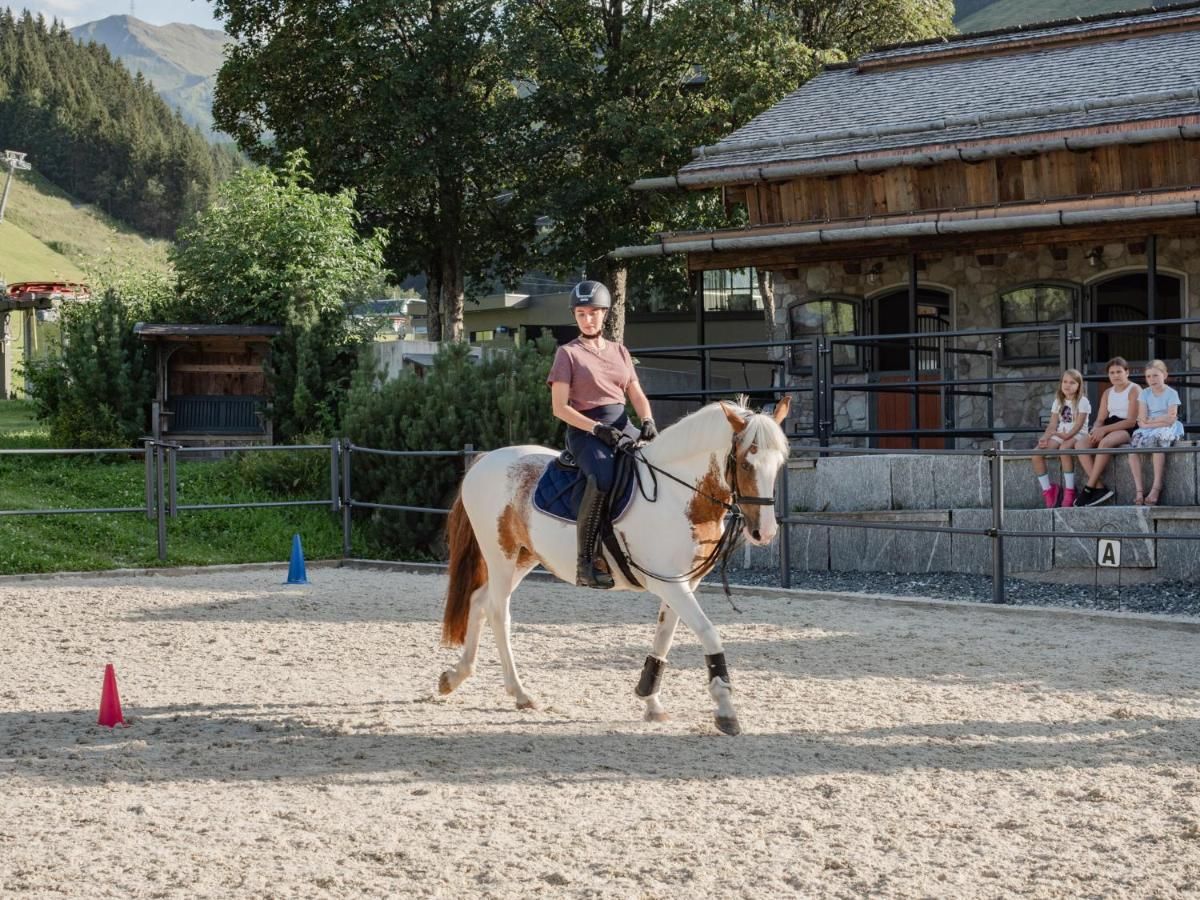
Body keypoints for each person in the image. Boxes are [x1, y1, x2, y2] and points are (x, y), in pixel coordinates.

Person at [547, 281, 656, 588]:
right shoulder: (567, 354)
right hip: (586, 430)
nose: (587, 319)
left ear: (605, 314)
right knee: (602, 478)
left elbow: (636, 393)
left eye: (593, 313)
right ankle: (584, 562)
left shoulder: (620, 351)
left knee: (657, 463)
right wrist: (596, 429)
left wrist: (647, 420)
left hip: (622, 424)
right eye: (581, 314)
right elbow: (559, 408)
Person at [1074, 357, 1139, 506]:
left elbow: (1131, 421)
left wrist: (1103, 430)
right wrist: (1096, 428)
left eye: (1119, 372)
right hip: (1109, 425)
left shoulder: (1134, 389)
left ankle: (1089, 488)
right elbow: (1101, 418)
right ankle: (1100, 487)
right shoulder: (1108, 392)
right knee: (1080, 445)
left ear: (1127, 372)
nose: (1115, 375)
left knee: (1105, 442)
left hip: (1128, 427)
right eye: (1112, 373)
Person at [1127, 359, 1184, 506]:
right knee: (1133, 448)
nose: (1152, 379)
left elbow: (1171, 420)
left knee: (1158, 442)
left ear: (1164, 375)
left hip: (1167, 428)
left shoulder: (1171, 393)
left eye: (1155, 375)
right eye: (1148, 376)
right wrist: (1157, 419)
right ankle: (1139, 490)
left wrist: (1150, 421)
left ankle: (1156, 487)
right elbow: (1141, 418)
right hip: (1147, 428)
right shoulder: (1145, 393)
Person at [1031, 368, 1091, 508]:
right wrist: (1045, 437)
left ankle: (1070, 491)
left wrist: (1066, 436)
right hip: (1060, 434)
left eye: (1072, 382)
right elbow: (1053, 425)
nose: (1067, 385)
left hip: (1078, 435)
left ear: (1078, 386)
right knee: (1036, 454)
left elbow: (1078, 426)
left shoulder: (1083, 401)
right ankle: (1049, 491)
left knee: (1064, 449)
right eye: (1065, 381)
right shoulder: (1058, 401)